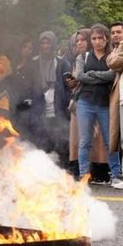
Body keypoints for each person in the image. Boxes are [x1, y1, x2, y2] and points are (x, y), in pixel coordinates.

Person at [74, 24, 119, 183]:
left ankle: (115, 176)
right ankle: (84, 176)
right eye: (94, 38)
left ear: (106, 39)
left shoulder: (112, 56)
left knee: (110, 141)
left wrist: (91, 74)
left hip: (105, 104)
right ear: (90, 40)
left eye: (101, 38)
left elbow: (111, 75)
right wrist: (99, 76)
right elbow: (79, 75)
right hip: (85, 103)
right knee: (85, 141)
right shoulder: (83, 57)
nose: (97, 41)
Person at [31, 31, 72, 167]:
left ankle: (63, 173)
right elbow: (28, 85)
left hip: (58, 108)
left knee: (61, 140)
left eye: (48, 42)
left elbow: (69, 85)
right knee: (42, 141)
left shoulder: (62, 63)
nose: (45, 46)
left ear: (53, 43)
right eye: (42, 42)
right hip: (39, 108)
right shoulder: (34, 63)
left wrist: (65, 101)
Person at [8, 37, 43, 144]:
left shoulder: (34, 65)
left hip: (26, 102)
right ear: (20, 48)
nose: (27, 50)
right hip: (11, 101)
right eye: (25, 47)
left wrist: (30, 100)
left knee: (23, 129)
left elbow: (37, 85)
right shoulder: (12, 64)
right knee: (11, 129)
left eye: (30, 48)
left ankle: (26, 154)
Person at [107, 21, 123, 189]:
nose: (116, 35)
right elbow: (111, 61)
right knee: (121, 139)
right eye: (113, 33)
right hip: (120, 99)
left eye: (119, 32)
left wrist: (117, 53)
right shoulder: (116, 51)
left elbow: (112, 63)